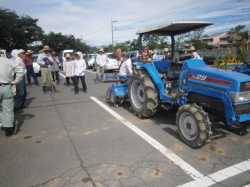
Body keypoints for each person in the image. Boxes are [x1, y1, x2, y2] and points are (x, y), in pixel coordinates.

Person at [0, 56, 23, 137]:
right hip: (6, 86)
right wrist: (16, 81)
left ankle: (6, 122)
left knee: (7, 109)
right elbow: (20, 70)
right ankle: (8, 129)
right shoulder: (7, 61)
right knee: (8, 109)